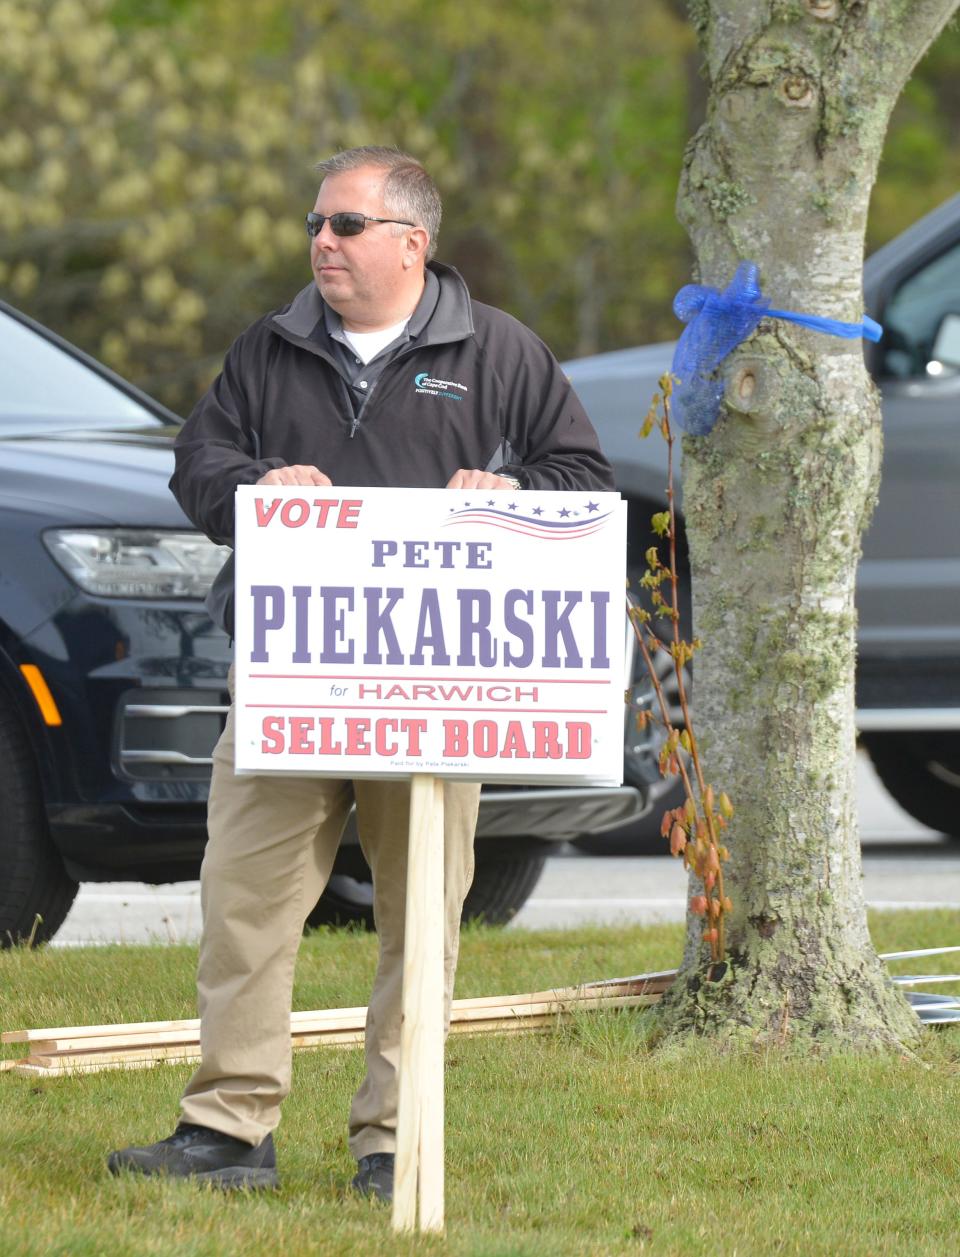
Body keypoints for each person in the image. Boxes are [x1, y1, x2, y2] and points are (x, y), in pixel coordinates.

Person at [108, 146, 614, 1199]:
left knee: (418, 916)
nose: (320, 243)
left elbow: (581, 481)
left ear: (411, 243)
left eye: (344, 225)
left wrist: (506, 487)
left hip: (435, 696)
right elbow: (196, 467)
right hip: (291, 681)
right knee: (245, 902)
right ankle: (229, 1129)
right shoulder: (269, 349)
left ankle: (393, 1140)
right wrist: (257, 481)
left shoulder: (503, 353)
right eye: (316, 223)